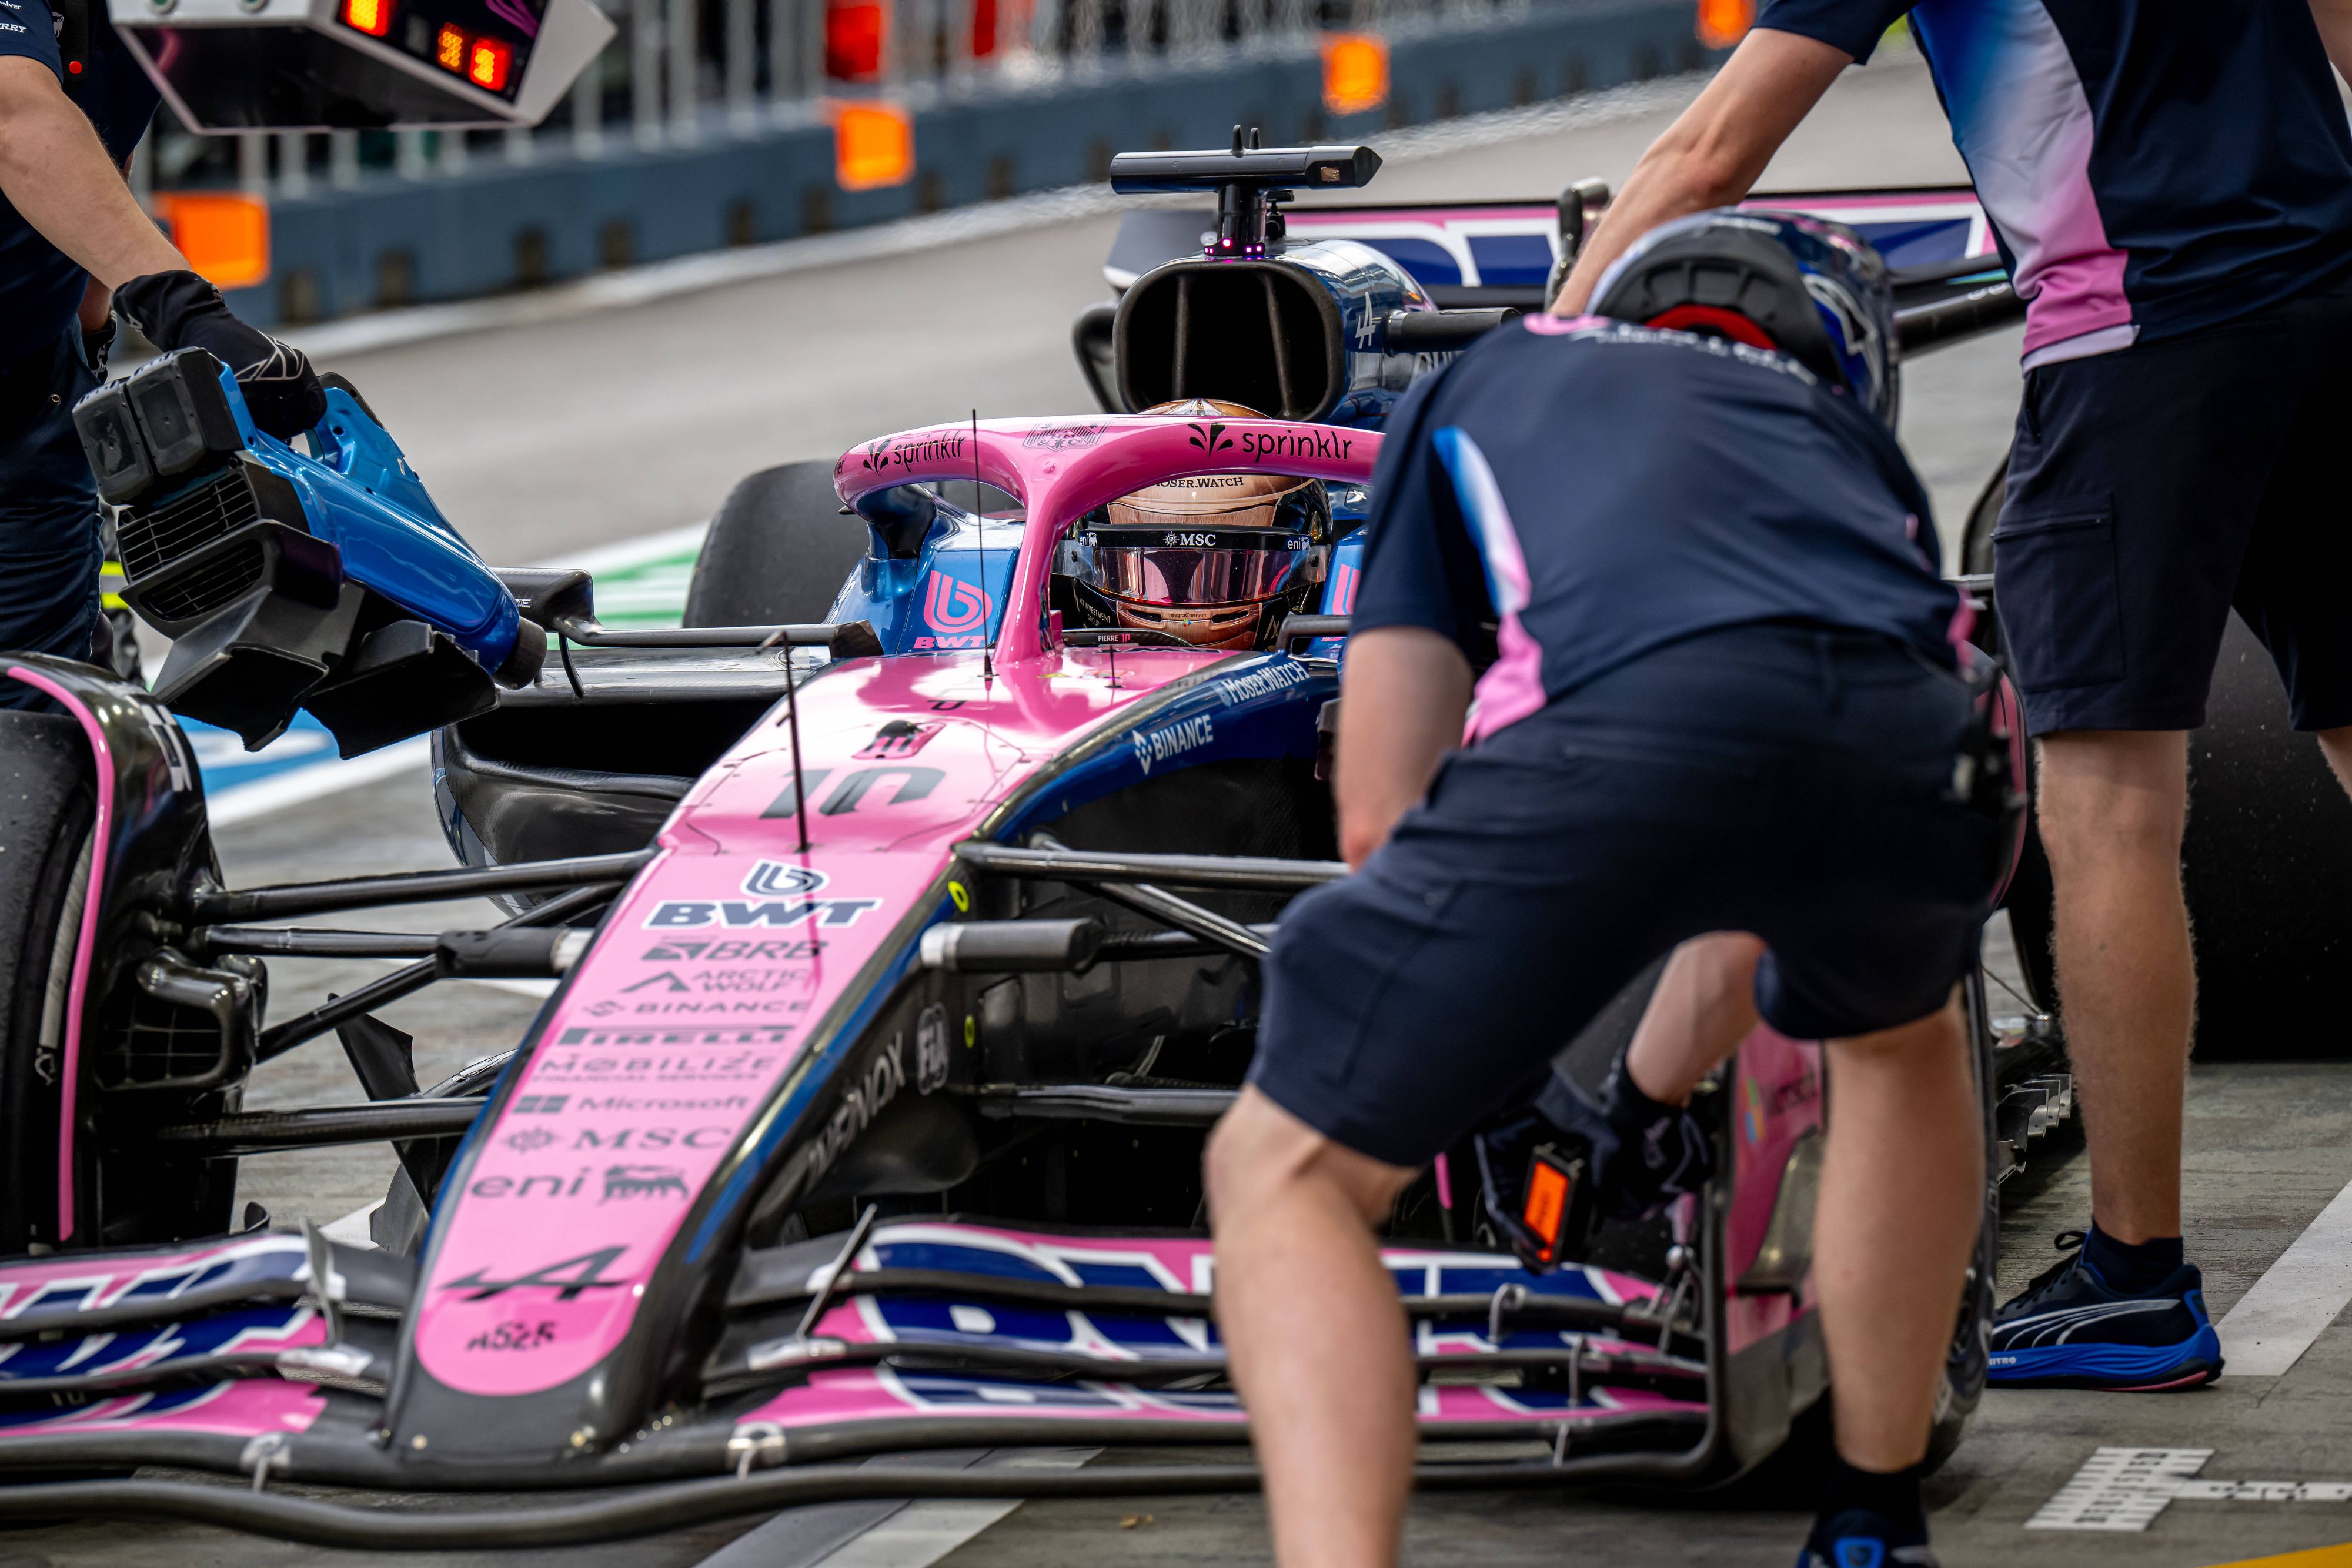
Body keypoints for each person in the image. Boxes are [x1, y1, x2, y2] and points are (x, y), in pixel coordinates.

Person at [1550, 0, 2352, 1393]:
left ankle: (2135, 1281)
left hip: (2134, 336)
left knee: (2103, 802)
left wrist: (1535, 355)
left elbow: (1714, 147)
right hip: (2326, 288)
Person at [1207, 212, 1998, 1568]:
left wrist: (1463, 1055)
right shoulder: (1848, 450)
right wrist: (1627, 1099)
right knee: (1896, 1036)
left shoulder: (1486, 377)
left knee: (1280, 1170)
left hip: (1624, 729)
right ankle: (1873, 1522)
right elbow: (1763, 856)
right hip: (1938, 751)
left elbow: (1377, 814)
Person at [1, 0, 323, 706]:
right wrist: (185, 310)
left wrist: (87, 348)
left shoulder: (142, 11)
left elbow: (97, 149)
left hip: (29, 398)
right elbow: (14, 120)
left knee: (37, 727)